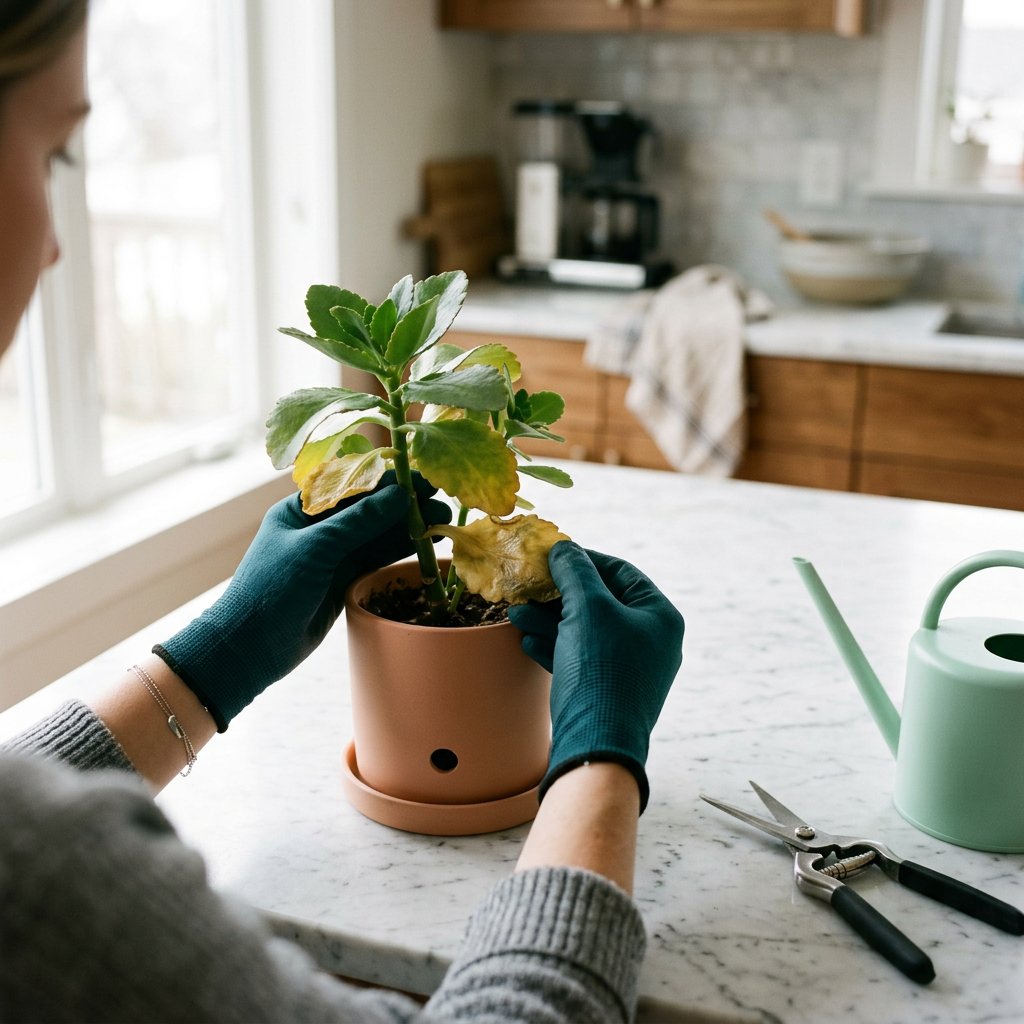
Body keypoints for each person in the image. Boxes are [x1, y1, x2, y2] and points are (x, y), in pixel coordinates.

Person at [0, 2, 685, 1021]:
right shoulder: (44, 878)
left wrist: (208, 658)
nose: (57, 246)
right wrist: (599, 760)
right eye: (55, 155)